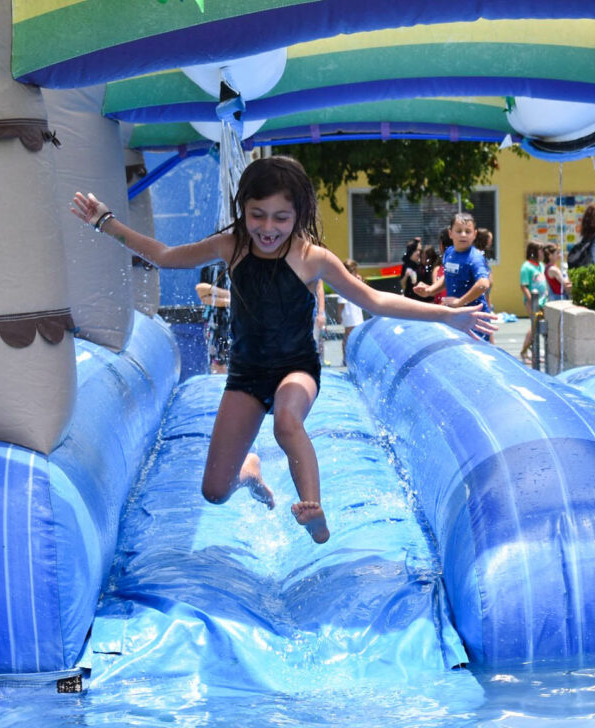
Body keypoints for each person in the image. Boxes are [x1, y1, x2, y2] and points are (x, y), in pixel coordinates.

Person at [71, 156, 497, 544]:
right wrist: (106, 222)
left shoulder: (313, 258)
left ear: (298, 215)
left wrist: (446, 315)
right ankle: (248, 472)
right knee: (214, 491)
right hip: (247, 374)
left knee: (287, 420)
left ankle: (312, 508)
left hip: (297, 367)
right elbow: (165, 255)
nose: (268, 227)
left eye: (281, 217)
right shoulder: (231, 245)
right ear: (244, 211)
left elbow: (375, 300)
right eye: (257, 215)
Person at [412, 212, 493, 341]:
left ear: (474, 234)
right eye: (459, 231)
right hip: (456, 316)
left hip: (475, 319)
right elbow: (448, 276)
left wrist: (459, 302)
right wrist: (430, 291)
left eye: (468, 231)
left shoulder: (475, 258)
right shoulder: (449, 252)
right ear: (451, 233)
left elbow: (483, 284)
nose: (463, 235)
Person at [196, 263, 232, 374]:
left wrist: (216, 294)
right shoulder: (213, 264)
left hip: (244, 322)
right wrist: (236, 299)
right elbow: (202, 291)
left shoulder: (251, 263)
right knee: (218, 361)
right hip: (217, 321)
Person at [518, 241, 550, 365]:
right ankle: (524, 352)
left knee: (538, 328)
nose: (543, 253)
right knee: (534, 326)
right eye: (541, 250)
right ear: (534, 252)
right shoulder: (526, 267)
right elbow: (523, 286)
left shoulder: (540, 265)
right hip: (532, 302)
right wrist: (531, 300)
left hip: (543, 301)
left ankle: (534, 353)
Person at [336, 259, 365, 366]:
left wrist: (360, 281)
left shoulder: (354, 281)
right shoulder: (344, 283)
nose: (357, 274)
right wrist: (339, 316)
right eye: (355, 272)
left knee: (355, 336)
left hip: (356, 313)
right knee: (348, 336)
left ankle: (352, 357)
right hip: (349, 314)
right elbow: (341, 303)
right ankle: (345, 358)